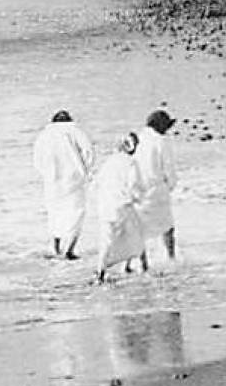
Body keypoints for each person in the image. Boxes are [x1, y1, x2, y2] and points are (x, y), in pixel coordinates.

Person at [31, 110, 95, 259]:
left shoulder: (44, 135)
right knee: (76, 214)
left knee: (55, 213)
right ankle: (69, 250)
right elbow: (88, 153)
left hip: (52, 182)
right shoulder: (76, 132)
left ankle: (56, 248)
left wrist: (47, 174)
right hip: (74, 180)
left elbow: (37, 160)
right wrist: (83, 172)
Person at [93, 132, 149, 283]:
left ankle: (101, 272)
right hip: (123, 205)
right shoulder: (131, 163)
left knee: (107, 239)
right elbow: (134, 186)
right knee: (136, 235)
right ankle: (144, 268)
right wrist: (139, 199)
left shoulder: (109, 162)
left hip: (106, 206)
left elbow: (96, 184)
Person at [134, 109, 179, 259]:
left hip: (138, 189)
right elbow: (168, 167)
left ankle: (142, 263)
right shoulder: (162, 141)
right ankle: (171, 257)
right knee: (167, 226)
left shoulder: (139, 138)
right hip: (157, 189)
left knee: (140, 229)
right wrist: (171, 185)